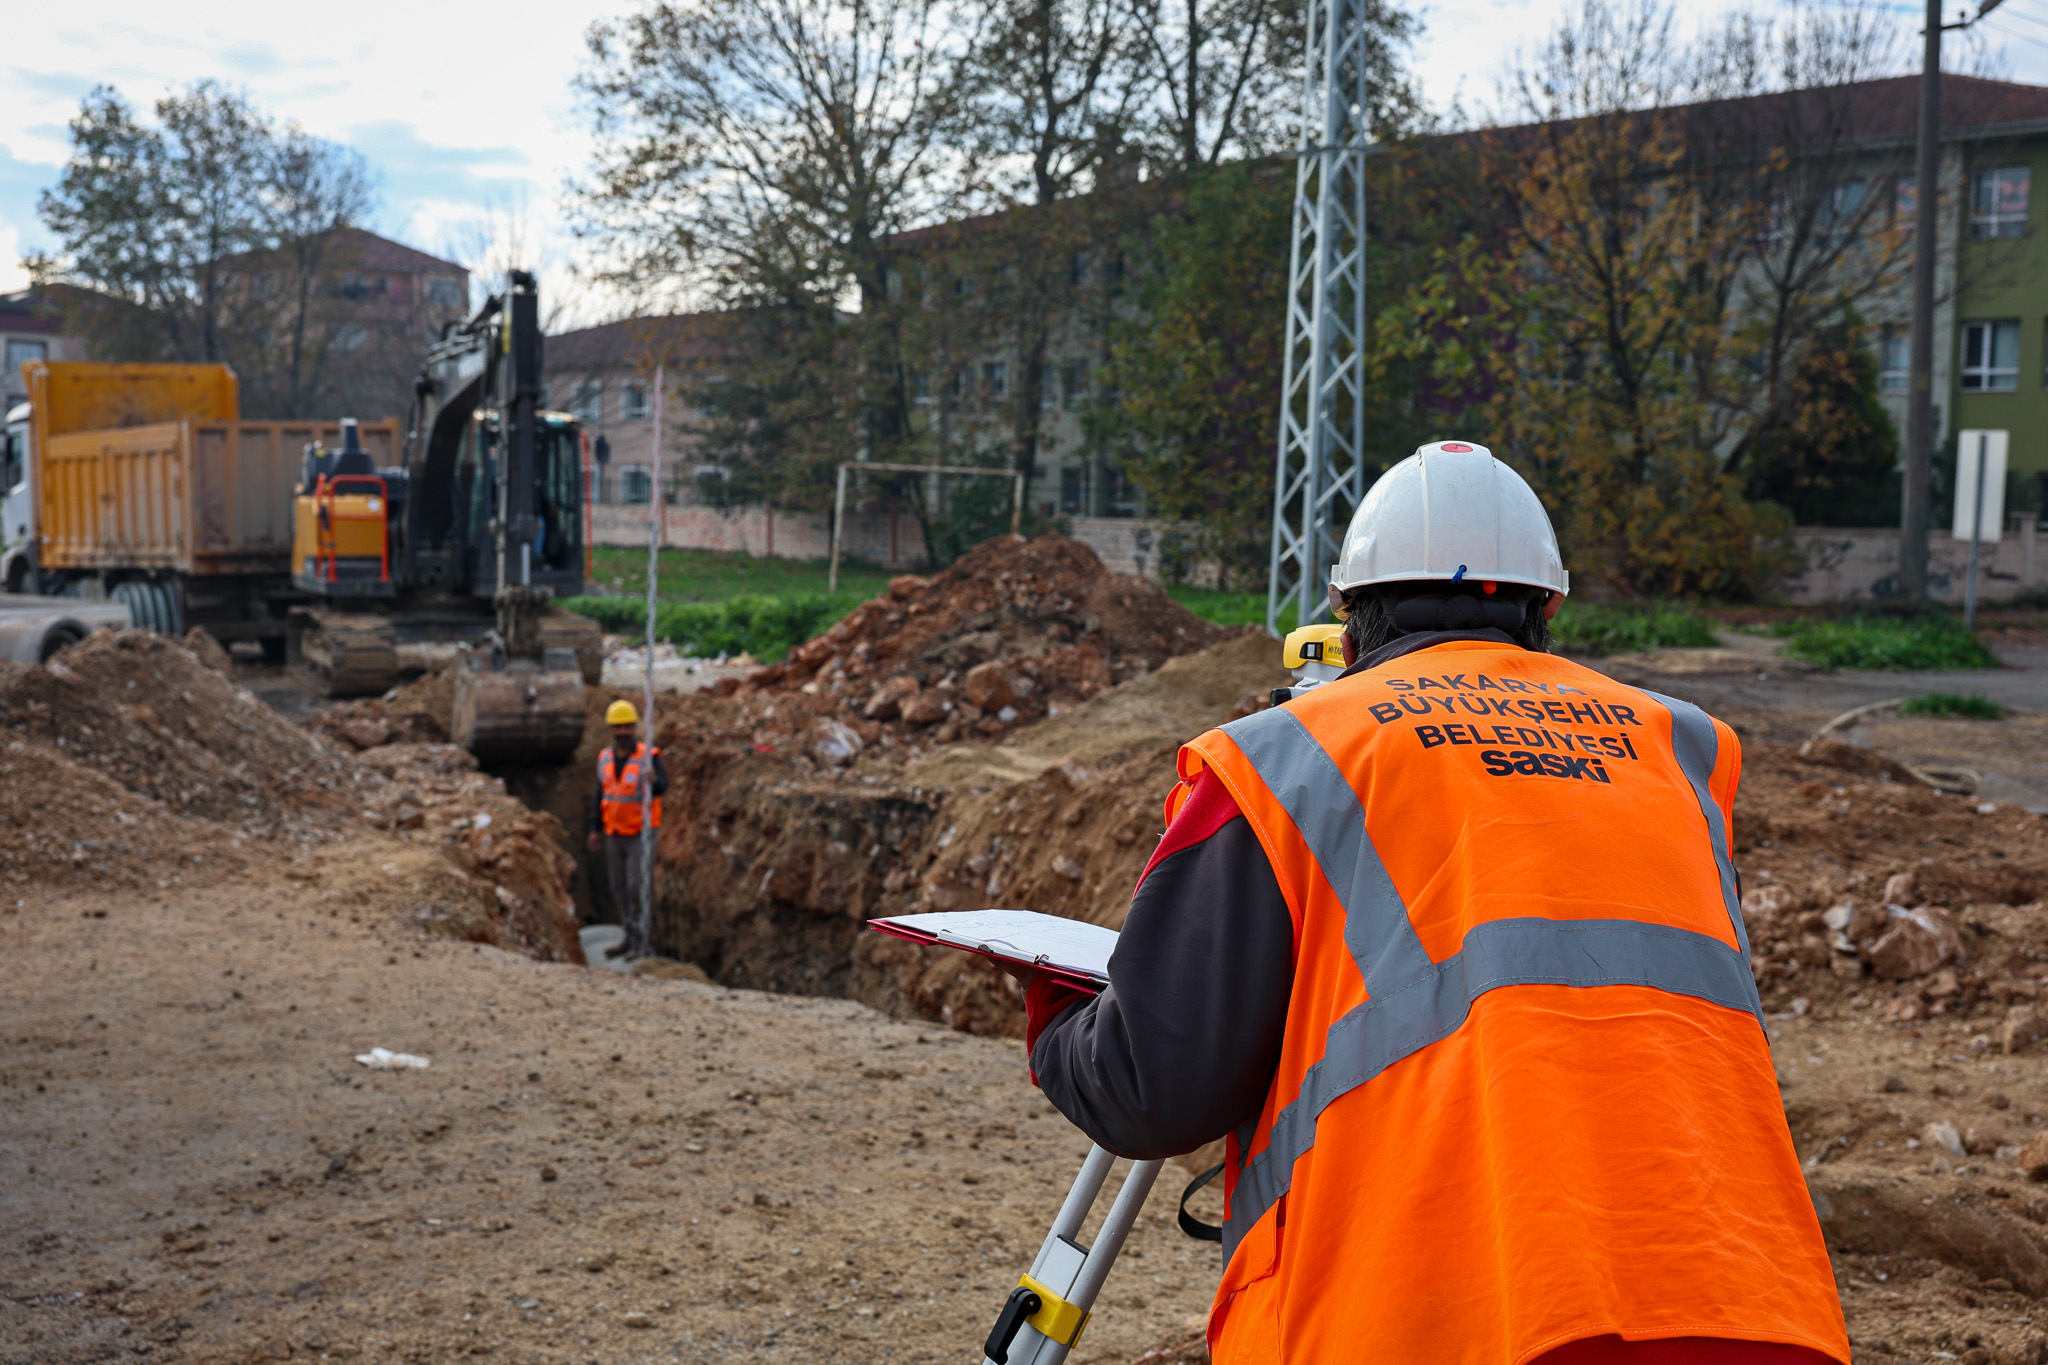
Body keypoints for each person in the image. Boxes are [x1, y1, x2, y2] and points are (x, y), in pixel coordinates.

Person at [1025, 442, 1849, 1365]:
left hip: (1437, 1317)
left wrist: (1055, 1008)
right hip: (1740, 1303)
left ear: (1347, 614)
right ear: (1549, 607)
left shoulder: (1285, 756)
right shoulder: (1680, 746)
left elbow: (1153, 1088)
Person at [587, 698, 668, 930]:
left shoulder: (648, 757)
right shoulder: (604, 758)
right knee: (620, 888)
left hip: (640, 832)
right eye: (618, 727)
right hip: (614, 832)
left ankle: (643, 936)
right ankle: (629, 935)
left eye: (628, 726)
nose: (623, 732)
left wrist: (655, 781)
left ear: (634, 728)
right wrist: (595, 829)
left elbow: (663, 785)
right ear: (611, 729)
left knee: (636, 887)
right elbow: (600, 796)